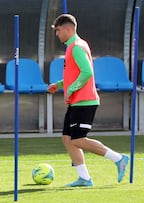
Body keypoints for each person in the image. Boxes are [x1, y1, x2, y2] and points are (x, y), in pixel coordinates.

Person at [48, 14, 129, 187]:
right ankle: (84, 178)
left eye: (58, 30)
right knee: (67, 139)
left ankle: (119, 159)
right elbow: (77, 73)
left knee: (78, 140)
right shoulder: (74, 46)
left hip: (85, 101)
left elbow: (87, 72)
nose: (57, 34)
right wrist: (60, 84)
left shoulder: (76, 46)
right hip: (76, 101)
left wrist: (71, 89)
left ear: (68, 29)